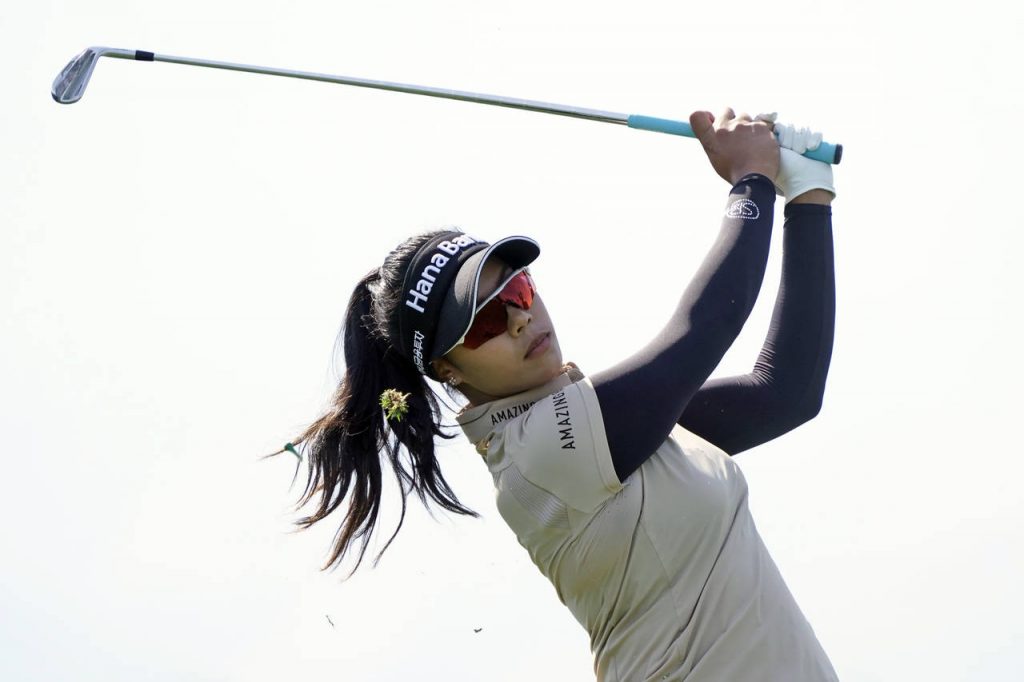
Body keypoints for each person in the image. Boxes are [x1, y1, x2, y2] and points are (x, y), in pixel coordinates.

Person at [276, 108, 840, 681]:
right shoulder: (543, 450)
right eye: (486, 322)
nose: (520, 318)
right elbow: (706, 327)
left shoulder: (611, 433)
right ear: (447, 369)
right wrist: (751, 180)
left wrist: (808, 199)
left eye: (517, 290)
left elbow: (785, 391)